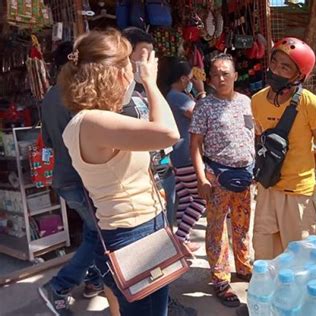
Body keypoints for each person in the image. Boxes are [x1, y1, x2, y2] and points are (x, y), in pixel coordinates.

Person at [59, 29, 180, 315]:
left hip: (135, 230)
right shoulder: (93, 122)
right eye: (128, 65)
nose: (133, 73)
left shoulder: (89, 121)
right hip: (135, 234)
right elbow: (169, 133)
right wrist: (151, 83)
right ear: (111, 74)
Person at [120, 27, 197, 316]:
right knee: (137, 260)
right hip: (134, 190)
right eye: (144, 55)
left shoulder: (143, 91)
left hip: (158, 174)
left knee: (159, 246)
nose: (151, 62)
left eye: (152, 55)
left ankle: (165, 303)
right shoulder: (120, 96)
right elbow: (168, 133)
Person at [39, 41, 104, 316]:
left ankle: (94, 280)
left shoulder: (49, 96)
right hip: (81, 179)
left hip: (65, 178)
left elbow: (49, 142)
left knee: (94, 233)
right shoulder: (75, 95)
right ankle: (59, 286)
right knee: (99, 237)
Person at [251, 37, 316, 260]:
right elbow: (259, 141)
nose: (276, 70)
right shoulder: (256, 101)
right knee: (265, 254)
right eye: (274, 62)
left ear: (299, 75)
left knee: (300, 259)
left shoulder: (311, 104)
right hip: (267, 188)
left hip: (298, 195)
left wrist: (302, 172)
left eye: (285, 67)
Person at [190, 53, 254, 307]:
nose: (220, 78)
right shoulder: (205, 105)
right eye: (215, 73)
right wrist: (200, 178)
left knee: (242, 225)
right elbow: (195, 145)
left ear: (235, 76)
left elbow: (252, 135)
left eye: (225, 73)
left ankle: (244, 267)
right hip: (216, 176)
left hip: (244, 176)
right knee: (216, 229)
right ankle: (220, 278)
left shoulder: (246, 102)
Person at [165, 58, 207, 251]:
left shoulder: (172, 96)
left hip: (177, 154)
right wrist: (201, 90)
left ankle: (184, 238)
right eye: (190, 78)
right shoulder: (179, 98)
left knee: (186, 198)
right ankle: (180, 238)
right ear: (183, 79)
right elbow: (203, 114)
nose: (192, 80)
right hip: (187, 155)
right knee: (201, 198)